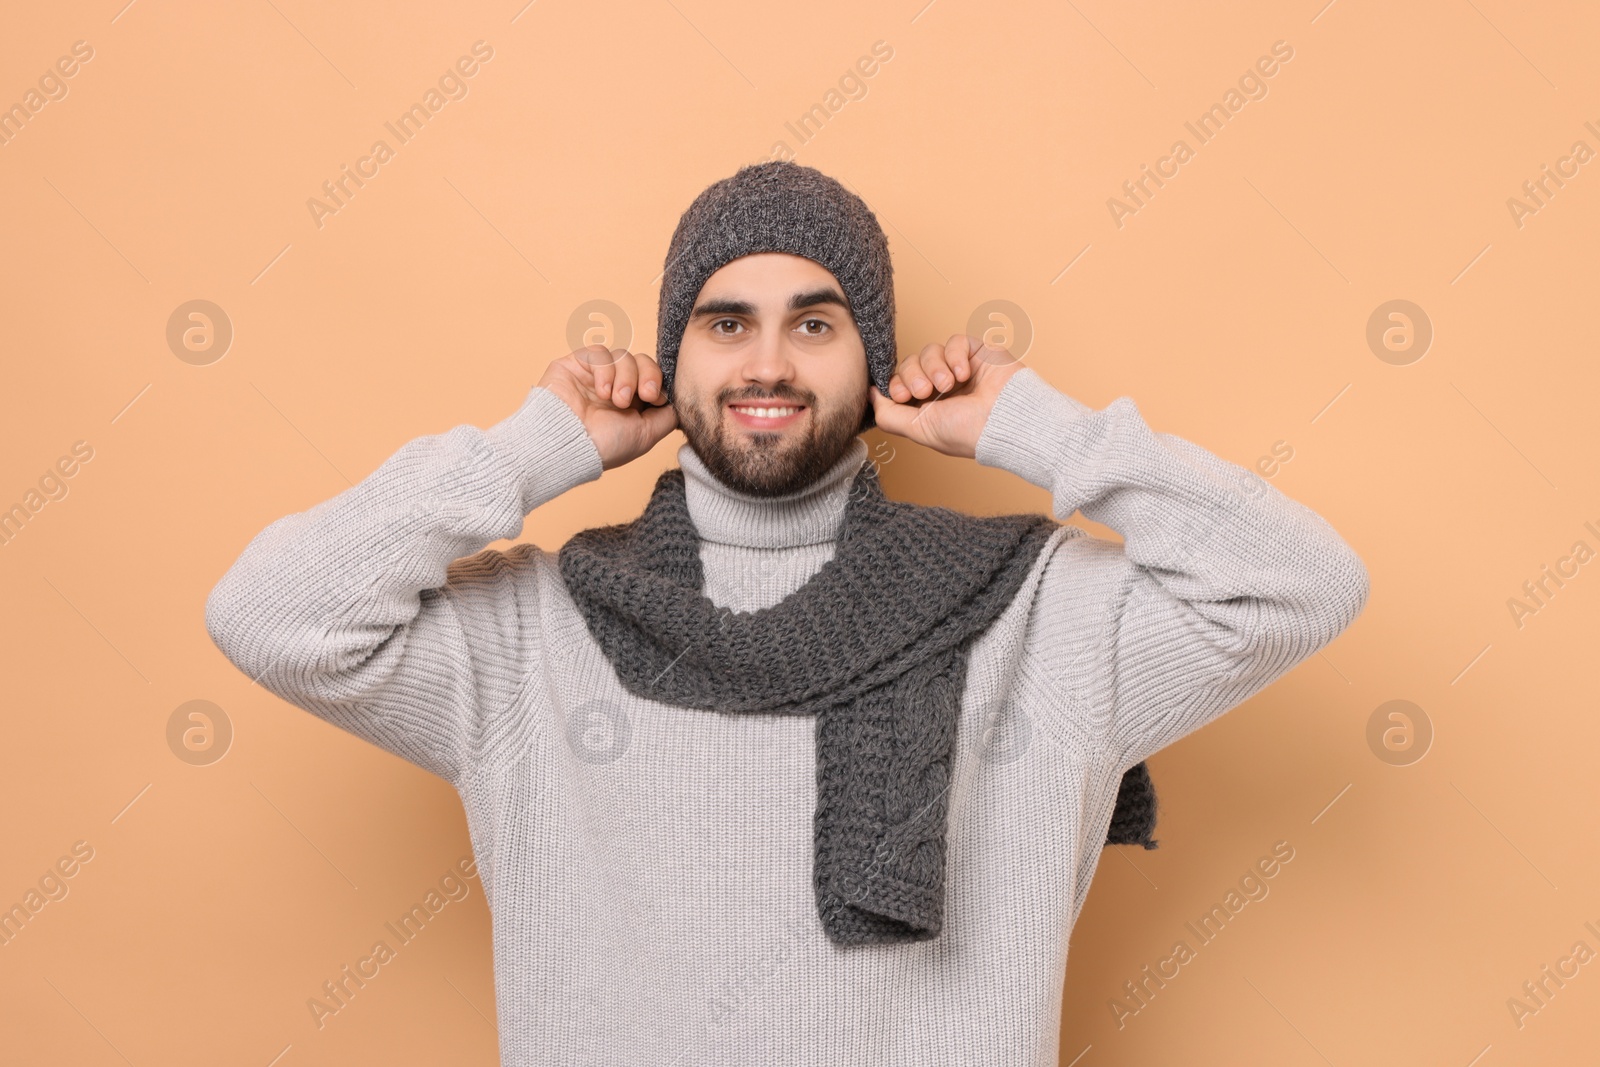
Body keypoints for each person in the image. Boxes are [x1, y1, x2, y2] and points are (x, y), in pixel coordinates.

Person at [205, 160, 1369, 1065]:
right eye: (725, 323)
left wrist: (1038, 428)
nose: (767, 362)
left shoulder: (1036, 611)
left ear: (874, 361)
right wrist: (535, 447)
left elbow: (1300, 581)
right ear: (673, 359)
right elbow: (271, 613)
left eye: (815, 324)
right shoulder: (530, 633)